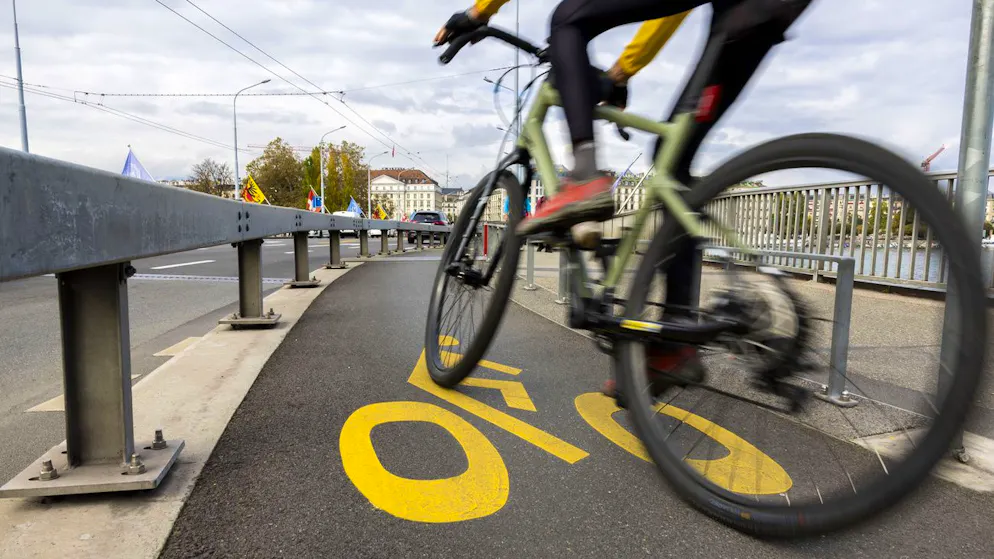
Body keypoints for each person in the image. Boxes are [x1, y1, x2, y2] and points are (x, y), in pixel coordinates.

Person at [435, 0, 813, 398]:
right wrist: (622, 71)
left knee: (566, 21)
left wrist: (479, 13)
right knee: (674, 162)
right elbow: (671, 13)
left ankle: (583, 174)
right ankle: (672, 345)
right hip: (767, 11)